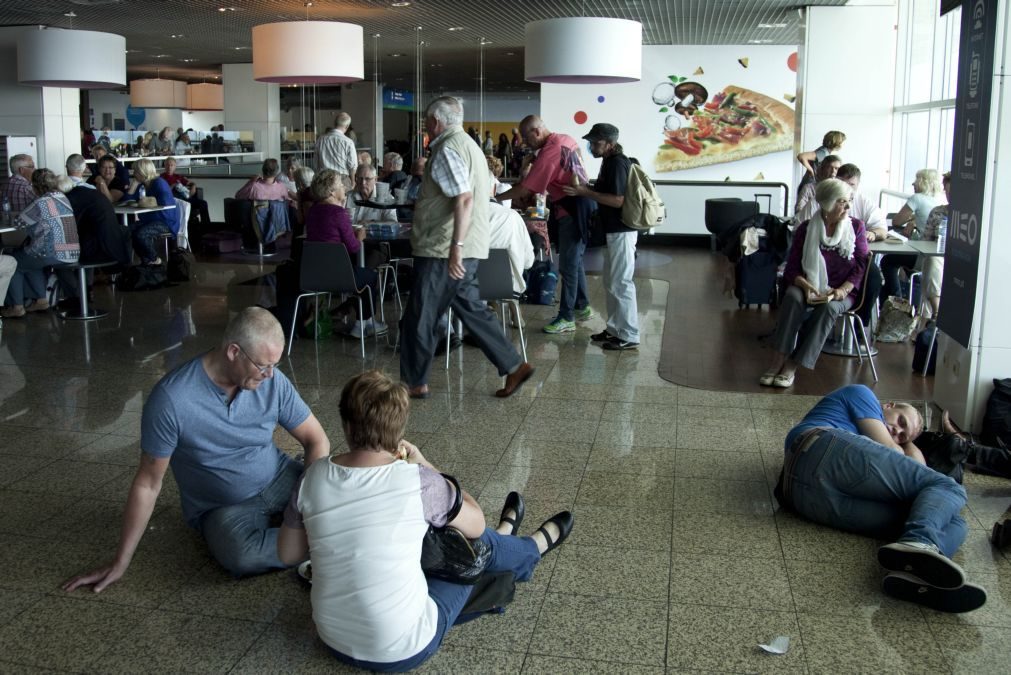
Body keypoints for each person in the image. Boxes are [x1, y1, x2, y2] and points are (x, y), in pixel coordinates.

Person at [277, 370, 573, 671]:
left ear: (345, 423)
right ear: (399, 427)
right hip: (404, 649)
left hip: (332, 639)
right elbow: (476, 525)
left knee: (442, 541)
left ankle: (509, 546)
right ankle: (528, 552)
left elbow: (289, 553)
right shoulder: (417, 482)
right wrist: (424, 464)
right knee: (477, 542)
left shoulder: (311, 476)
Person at [62, 307, 331, 592]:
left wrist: (306, 495)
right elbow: (148, 484)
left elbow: (317, 440)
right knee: (241, 556)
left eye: (274, 365)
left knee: (342, 494)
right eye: (263, 366)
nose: (269, 375)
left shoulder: (273, 381)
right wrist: (121, 561)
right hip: (224, 506)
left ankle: (311, 537)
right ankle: (330, 541)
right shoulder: (172, 400)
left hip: (278, 477)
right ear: (233, 351)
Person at [775, 384, 987, 613]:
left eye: (903, 435)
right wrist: (903, 444)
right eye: (901, 421)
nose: (897, 430)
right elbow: (899, 456)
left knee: (955, 523)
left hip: (800, 498)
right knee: (949, 487)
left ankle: (915, 575)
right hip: (818, 447)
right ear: (889, 405)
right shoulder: (862, 394)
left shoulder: (880, 444)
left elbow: (906, 461)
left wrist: (905, 441)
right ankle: (920, 545)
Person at [400, 96, 535, 399]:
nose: (426, 127)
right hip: (467, 243)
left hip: (442, 248)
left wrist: (455, 247)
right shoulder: (472, 147)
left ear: (435, 122)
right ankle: (513, 365)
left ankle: (413, 381)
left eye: (426, 121)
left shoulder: (447, 149)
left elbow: (463, 198)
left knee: (421, 314)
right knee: (471, 309)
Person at [761, 178, 868, 388]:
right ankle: (777, 360)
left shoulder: (856, 227)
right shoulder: (806, 229)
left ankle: (793, 363)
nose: (848, 206)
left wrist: (843, 290)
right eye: (842, 201)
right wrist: (804, 285)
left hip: (842, 291)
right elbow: (792, 268)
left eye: (849, 201)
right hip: (808, 284)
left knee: (828, 309)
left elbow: (862, 264)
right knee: (792, 297)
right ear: (827, 203)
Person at [497, 115, 595, 334]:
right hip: (581, 203)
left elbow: (525, 189)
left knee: (568, 265)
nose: (524, 141)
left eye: (525, 137)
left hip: (572, 207)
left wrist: (496, 197)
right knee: (575, 260)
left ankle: (566, 317)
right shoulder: (565, 138)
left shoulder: (550, 151)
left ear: (537, 132)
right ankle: (582, 306)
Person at [563, 123, 639, 351]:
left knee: (621, 283)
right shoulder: (609, 161)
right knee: (612, 282)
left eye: (596, 142)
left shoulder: (617, 163)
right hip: (614, 231)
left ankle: (629, 334)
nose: (591, 146)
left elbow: (618, 200)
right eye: (591, 141)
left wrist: (586, 192)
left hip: (622, 231)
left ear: (610, 144)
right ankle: (615, 329)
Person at [305, 169, 385, 338]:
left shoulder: (312, 211)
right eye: (341, 184)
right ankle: (362, 324)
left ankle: (366, 323)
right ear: (332, 191)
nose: (344, 187)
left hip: (314, 275)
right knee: (370, 276)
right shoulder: (339, 214)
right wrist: (360, 237)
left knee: (363, 274)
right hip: (339, 275)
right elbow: (354, 248)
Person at [2, 168, 80, 318]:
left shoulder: (42, 202)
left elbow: (19, 222)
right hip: (72, 250)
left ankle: (16, 307)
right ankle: (41, 300)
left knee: (14, 262)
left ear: (34, 186)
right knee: (31, 261)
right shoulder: (62, 198)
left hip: (52, 251)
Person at [880, 168, 945, 305]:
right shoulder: (938, 201)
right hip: (937, 260)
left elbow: (897, 221)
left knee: (887, 261)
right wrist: (913, 221)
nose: (913, 184)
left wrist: (911, 221)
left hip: (923, 257)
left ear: (923, 182)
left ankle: (895, 300)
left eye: (917, 179)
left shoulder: (917, 198)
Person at [64, 155, 131, 267]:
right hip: (92, 232)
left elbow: (110, 199)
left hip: (74, 234)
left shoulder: (118, 182)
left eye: (111, 167)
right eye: (104, 167)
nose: (107, 170)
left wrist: (101, 183)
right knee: (121, 232)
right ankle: (121, 266)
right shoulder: (89, 186)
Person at [124, 158, 175, 265]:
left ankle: (155, 259)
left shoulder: (158, 183)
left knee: (140, 234)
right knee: (126, 232)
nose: (134, 174)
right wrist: (133, 185)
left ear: (143, 171)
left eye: (136, 171)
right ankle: (146, 262)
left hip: (164, 220)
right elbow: (127, 200)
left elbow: (164, 204)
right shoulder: (142, 185)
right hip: (148, 220)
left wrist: (145, 202)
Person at [920, 172, 951, 318]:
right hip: (938, 256)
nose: (950, 195)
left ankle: (932, 318)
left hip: (962, 260)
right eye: (947, 191)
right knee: (932, 260)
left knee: (932, 265)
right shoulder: (937, 212)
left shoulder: (971, 215)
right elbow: (925, 241)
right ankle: (937, 312)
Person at [835, 163, 887, 241]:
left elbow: (883, 231)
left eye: (852, 184)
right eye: (843, 184)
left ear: (858, 184)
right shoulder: (820, 200)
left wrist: (873, 234)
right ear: (836, 181)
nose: (847, 188)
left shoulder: (866, 203)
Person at [161, 157, 211, 227]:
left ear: (175, 166)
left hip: (185, 199)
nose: (169, 167)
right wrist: (173, 186)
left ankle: (206, 227)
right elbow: (162, 191)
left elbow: (191, 183)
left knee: (203, 203)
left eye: (171, 165)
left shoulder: (178, 177)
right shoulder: (161, 178)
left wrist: (193, 186)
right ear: (165, 166)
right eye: (167, 165)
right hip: (173, 201)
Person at [794, 154, 842, 225]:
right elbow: (799, 211)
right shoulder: (808, 188)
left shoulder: (842, 190)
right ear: (822, 169)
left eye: (836, 168)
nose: (833, 171)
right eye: (829, 167)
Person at [314, 112, 357, 184]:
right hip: (342, 180)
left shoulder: (320, 140)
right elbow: (352, 166)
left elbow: (316, 163)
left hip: (324, 180)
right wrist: (353, 182)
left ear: (334, 123)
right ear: (347, 126)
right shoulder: (348, 142)